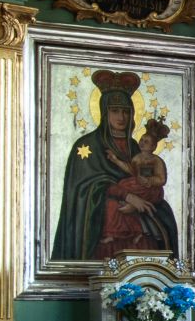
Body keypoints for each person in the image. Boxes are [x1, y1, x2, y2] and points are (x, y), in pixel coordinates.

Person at [52, 70, 148, 260]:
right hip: (102, 227)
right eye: (115, 111)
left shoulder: (134, 147)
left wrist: (139, 201)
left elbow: (145, 180)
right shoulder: (87, 145)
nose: (121, 117)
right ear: (104, 112)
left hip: (135, 219)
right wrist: (127, 196)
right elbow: (84, 188)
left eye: (125, 111)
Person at [98, 118, 180, 256]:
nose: (141, 142)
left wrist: (149, 181)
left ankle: (137, 232)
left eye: (146, 142)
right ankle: (114, 233)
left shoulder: (156, 161)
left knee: (130, 202)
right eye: (141, 140)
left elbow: (162, 179)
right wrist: (116, 160)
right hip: (136, 186)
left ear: (153, 146)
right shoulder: (137, 158)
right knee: (118, 200)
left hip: (150, 190)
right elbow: (130, 169)